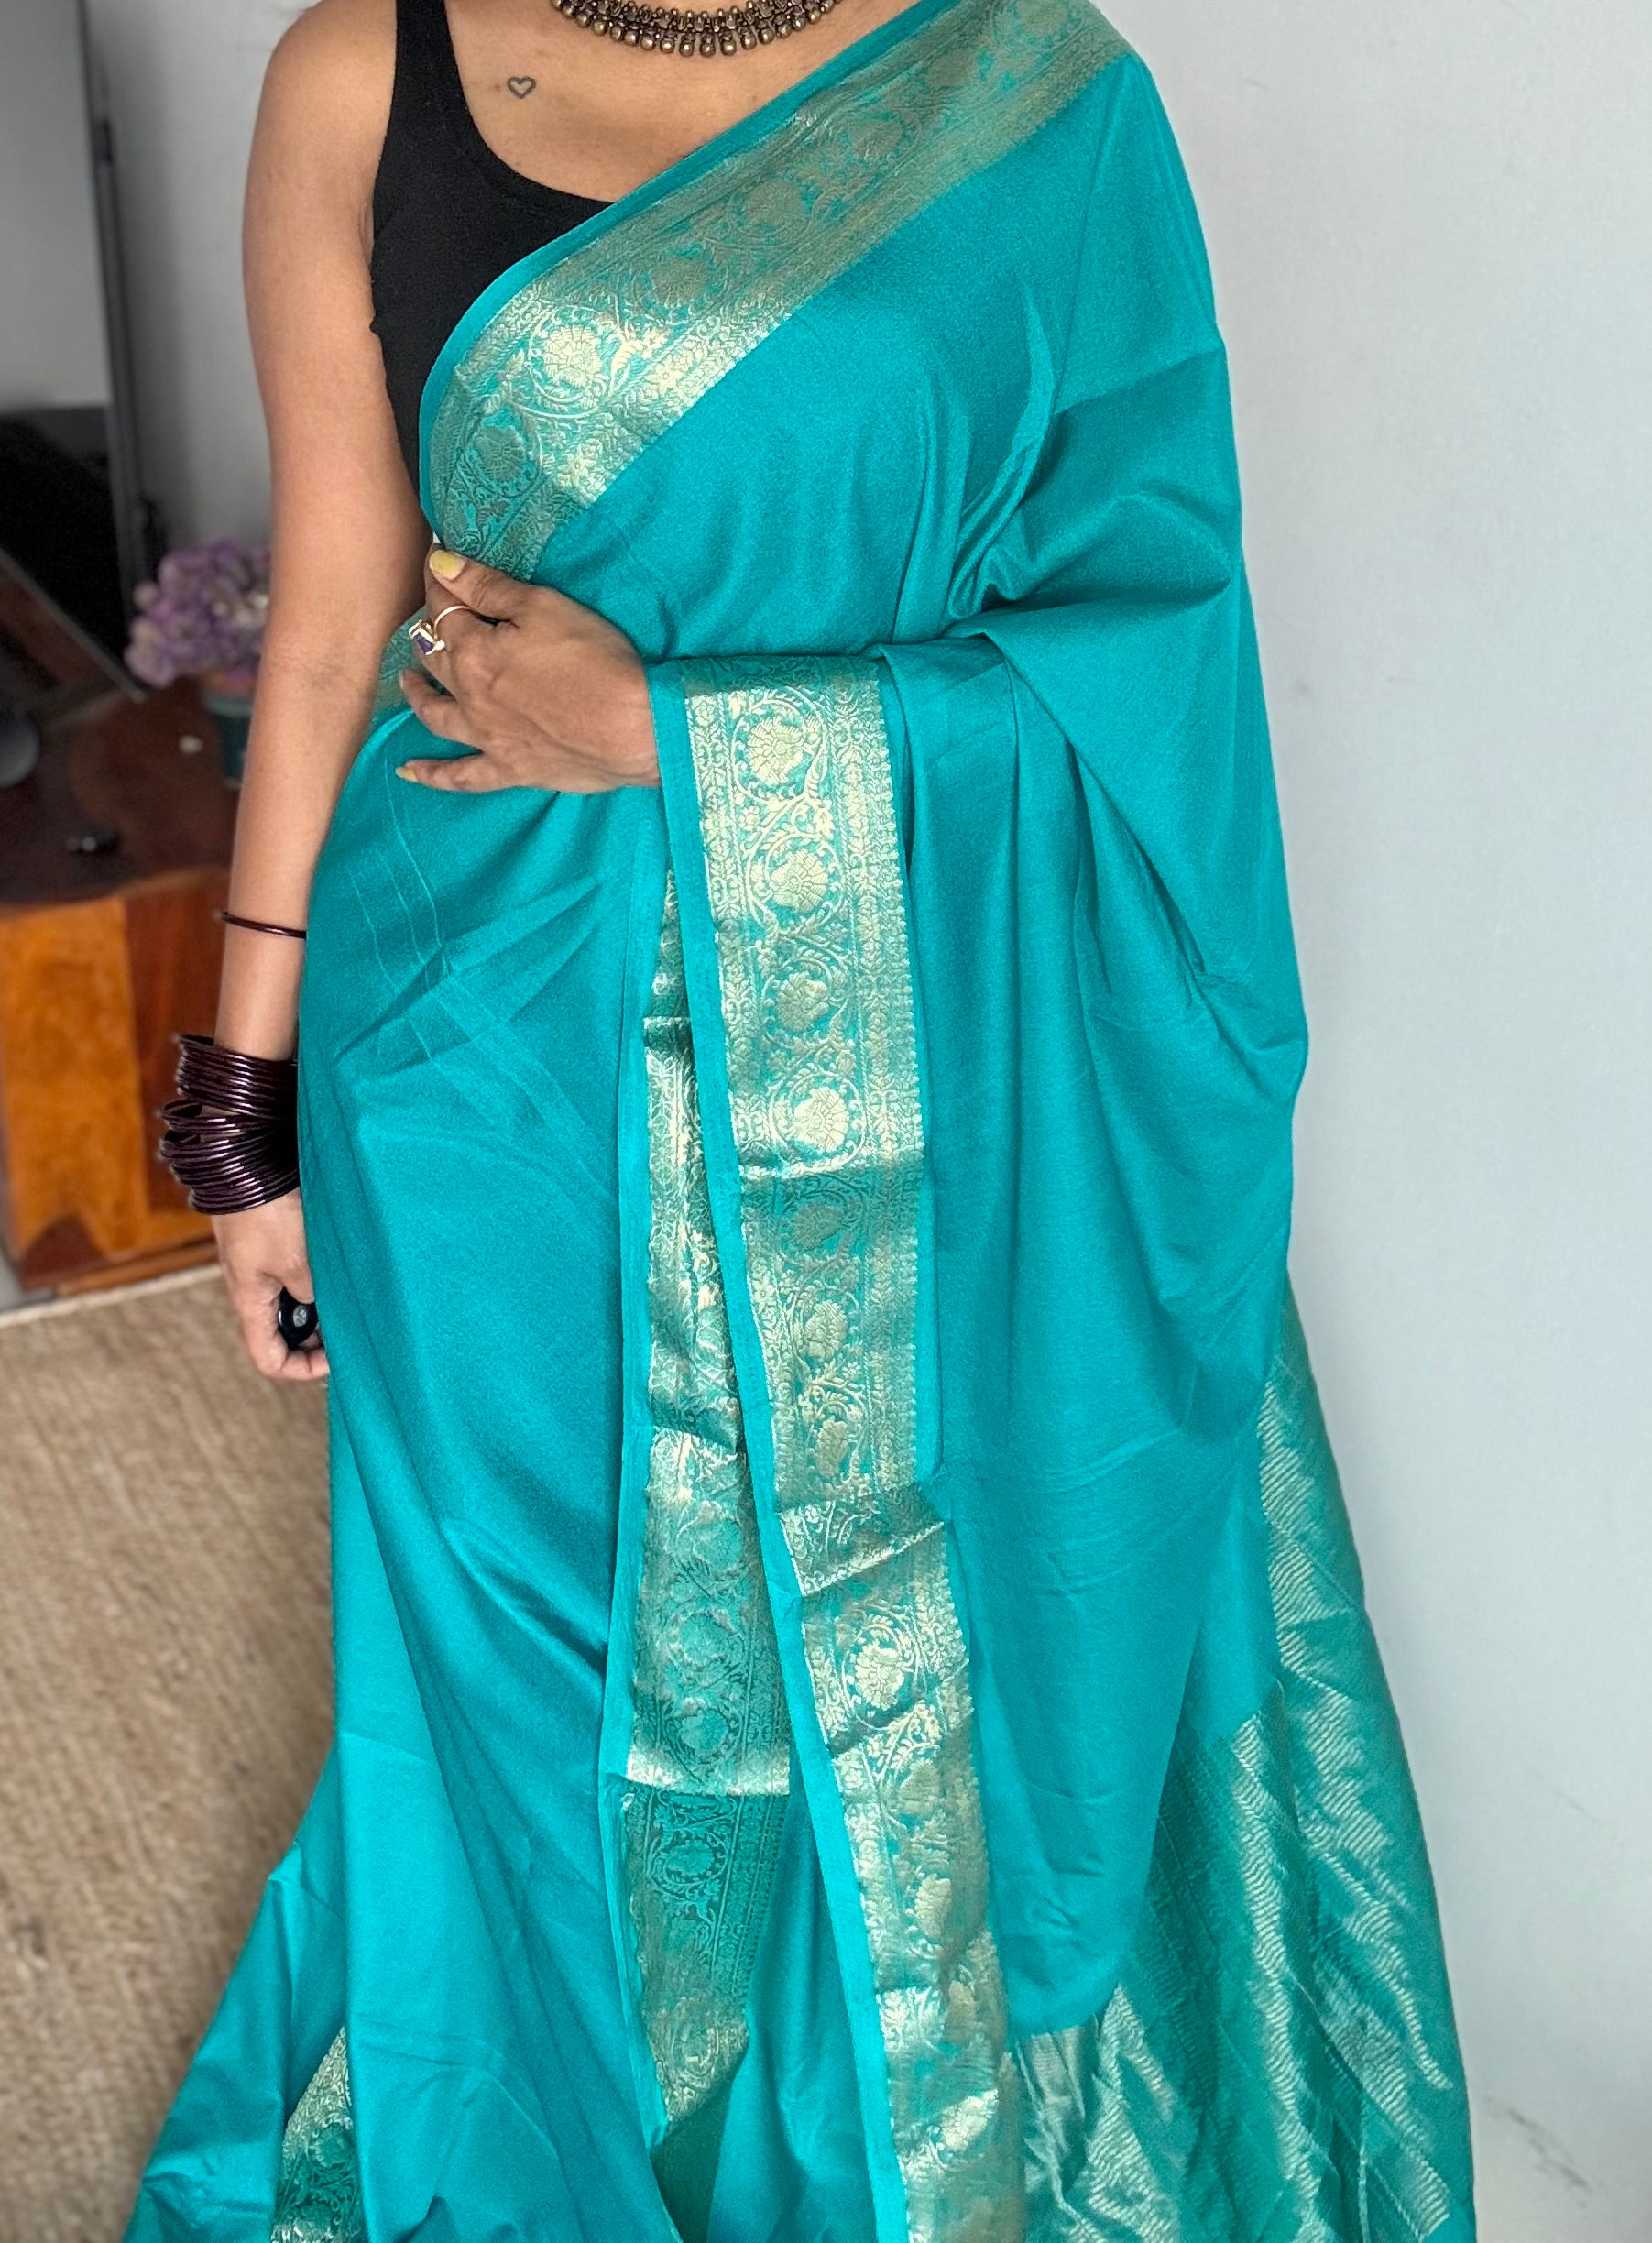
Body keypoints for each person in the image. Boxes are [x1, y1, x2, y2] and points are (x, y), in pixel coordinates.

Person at [130, 0, 1477, 2236]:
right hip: (473, 1055)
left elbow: (1144, 646)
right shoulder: (363, 67)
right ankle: (545, 2160)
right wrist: (237, 1105)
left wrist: (682, 727)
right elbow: (336, 615)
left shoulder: (1029, 98)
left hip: (920, 1074)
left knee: (856, 1662)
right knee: (522, 1676)